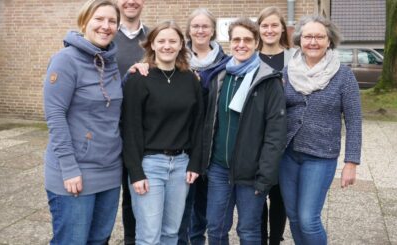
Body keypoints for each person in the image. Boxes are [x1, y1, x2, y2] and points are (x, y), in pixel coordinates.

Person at [42, 0, 122, 243]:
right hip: (75, 173)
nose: (105, 26)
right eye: (99, 19)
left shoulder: (111, 61)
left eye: (112, 21)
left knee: (99, 240)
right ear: (85, 21)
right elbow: (55, 116)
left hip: (110, 171)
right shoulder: (65, 60)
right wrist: (68, 167)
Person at [202, 17, 286, 244]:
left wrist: (265, 176)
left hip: (252, 172)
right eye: (236, 39)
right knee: (216, 228)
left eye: (247, 40)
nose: (241, 44)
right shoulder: (220, 75)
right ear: (229, 43)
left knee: (248, 231)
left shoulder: (269, 80)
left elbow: (275, 135)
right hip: (219, 169)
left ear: (256, 42)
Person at [280, 15, 362, 245]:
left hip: (320, 156)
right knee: (294, 217)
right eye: (308, 36)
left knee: (308, 219)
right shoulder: (288, 72)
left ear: (329, 41)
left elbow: (354, 120)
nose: (313, 41)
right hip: (287, 155)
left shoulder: (343, 75)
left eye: (319, 36)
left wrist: (351, 162)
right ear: (299, 40)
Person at [122, 20, 204, 245]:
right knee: (149, 236)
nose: (167, 46)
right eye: (161, 41)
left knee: (171, 233)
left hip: (181, 166)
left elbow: (198, 125)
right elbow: (130, 128)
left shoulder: (191, 80)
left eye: (172, 41)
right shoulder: (140, 79)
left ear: (181, 46)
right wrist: (136, 172)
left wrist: (195, 163)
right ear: (152, 45)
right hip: (149, 165)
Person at [178, 8, 229, 245]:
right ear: (189, 30)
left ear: (213, 30)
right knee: (181, 210)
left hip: (212, 144)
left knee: (205, 208)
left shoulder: (227, 64)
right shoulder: (175, 60)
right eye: (195, 26)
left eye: (205, 26)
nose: (200, 30)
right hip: (182, 143)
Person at [256, 6, 295, 245]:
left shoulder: (295, 59)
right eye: (264, 25)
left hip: (286, 138)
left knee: (279, 196)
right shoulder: (249, 56)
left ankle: (275, 240)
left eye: (274, 25)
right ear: (258, 29)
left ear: (282, 28)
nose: (269, 30)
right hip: (256, 138)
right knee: (257, 194)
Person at [114, 0, 148, 243]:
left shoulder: (153, 38)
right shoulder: (106, 34)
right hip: (110, 129)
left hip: (143, 131)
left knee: (134, 192)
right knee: (107, 194)